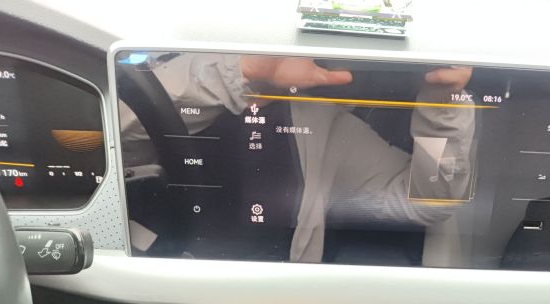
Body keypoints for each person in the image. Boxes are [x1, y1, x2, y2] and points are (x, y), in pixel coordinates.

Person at [121, 53, 476, 263]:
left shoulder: (324, 123)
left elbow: (429, 200)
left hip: (266, 303)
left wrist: (442, 103)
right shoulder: (179, 57)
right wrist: (245, 70)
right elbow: (110, 133)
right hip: (147, 273)